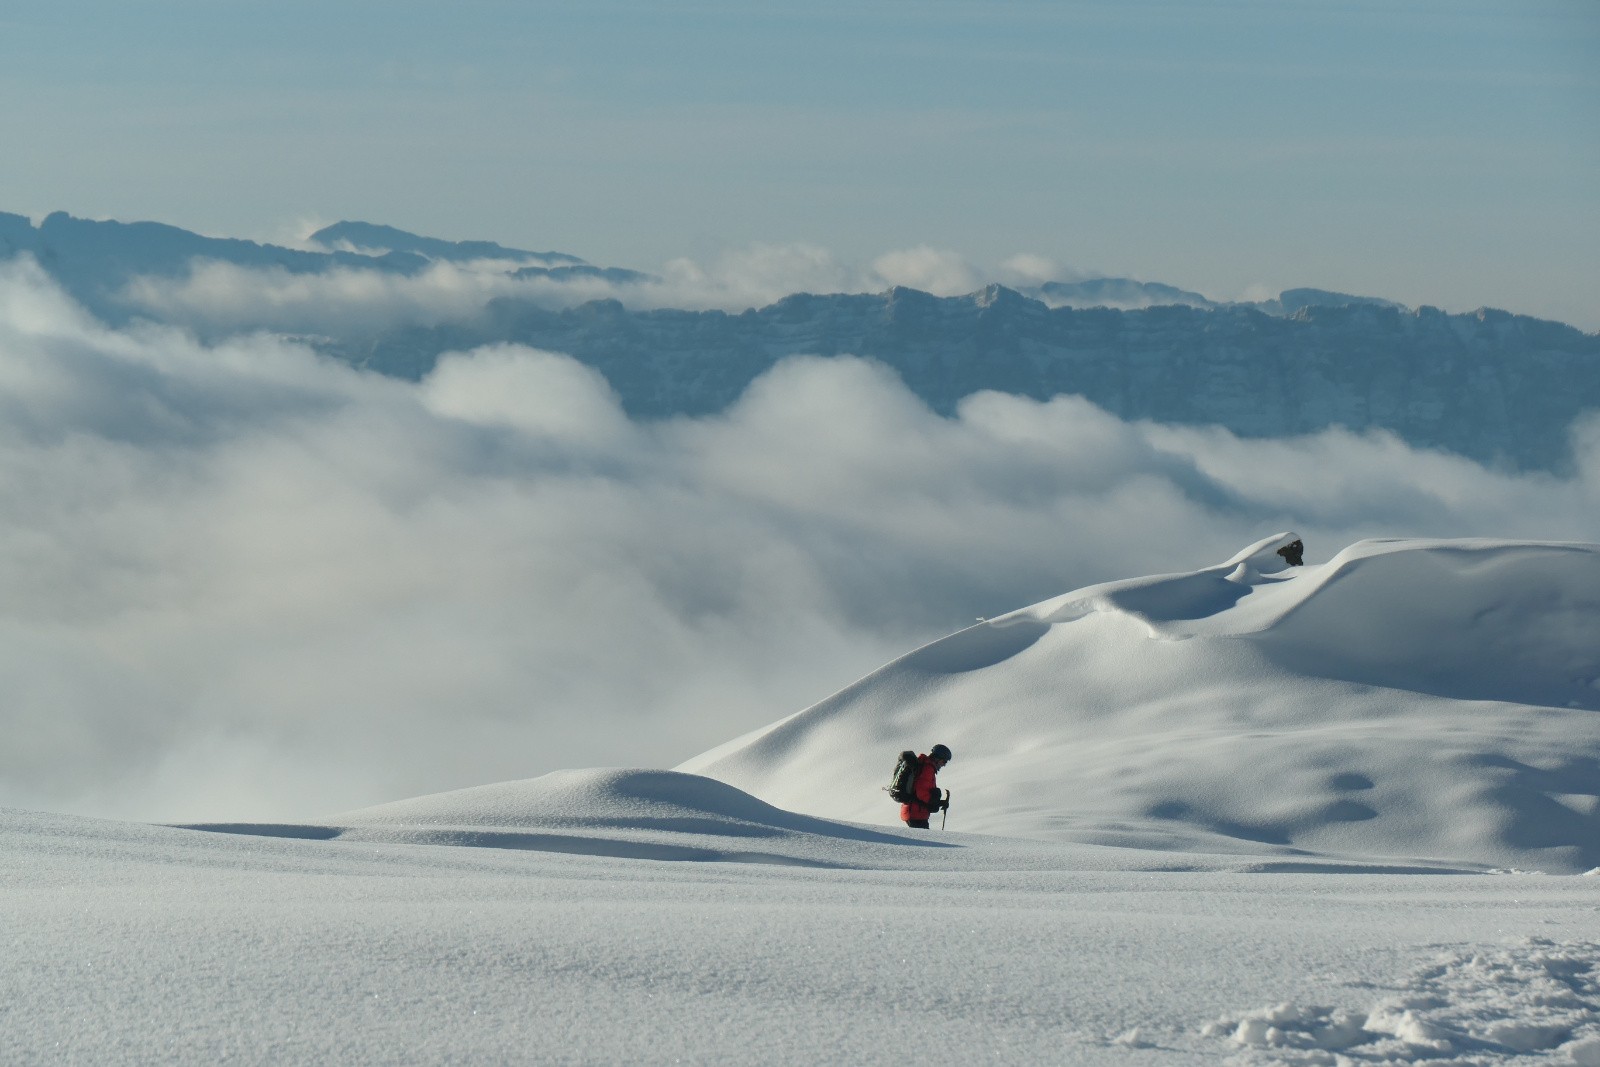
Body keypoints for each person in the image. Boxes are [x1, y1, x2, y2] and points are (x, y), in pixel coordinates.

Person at [901, 744, 951, 829]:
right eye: (944, 761)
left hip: (914, 811)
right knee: (922, 841)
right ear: (937, 758)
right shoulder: (928, 769)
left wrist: (939, 802)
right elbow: (921, 792)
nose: (944, 765)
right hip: (916, 813)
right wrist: (935, 802)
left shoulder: (924, 765)